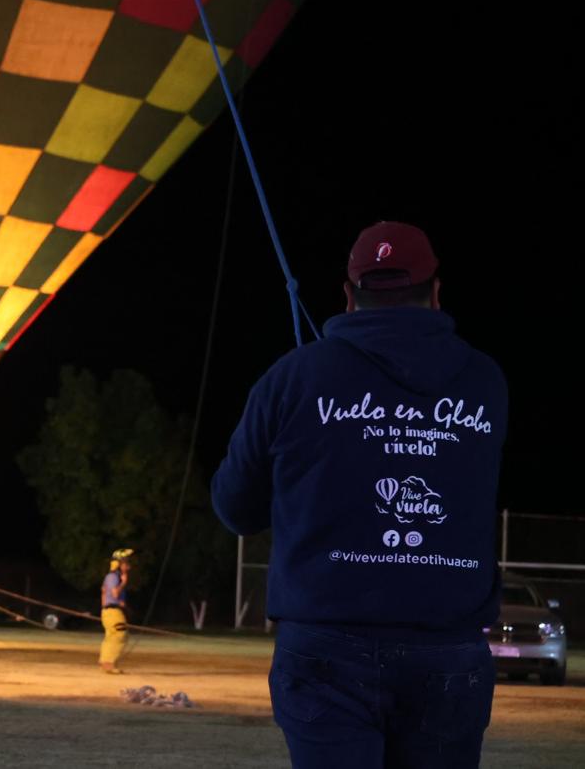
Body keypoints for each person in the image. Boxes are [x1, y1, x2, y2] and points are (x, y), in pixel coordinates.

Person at [212, 222, 508, 768]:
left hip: (325, 646)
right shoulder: (486, 382)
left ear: (348, 296)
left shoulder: (293, 376)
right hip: (448, 648)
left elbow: (235, 508)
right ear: (437, 291)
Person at [99, 548, 133, 674]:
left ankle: (105, 662)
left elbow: (104, 592)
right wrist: (124, 583)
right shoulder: (113, 577)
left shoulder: (112, 577)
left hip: (110, 611)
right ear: (118, 564)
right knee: (120, 634)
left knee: (111, 636)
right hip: (112, 611)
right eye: (125, 562)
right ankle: (108, 662)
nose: (128, 565)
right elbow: (114, 593)